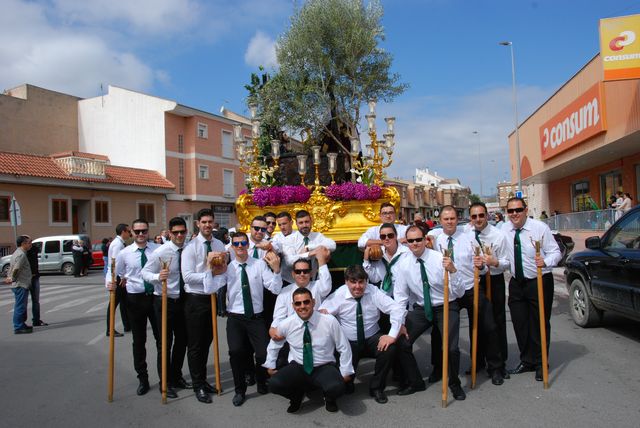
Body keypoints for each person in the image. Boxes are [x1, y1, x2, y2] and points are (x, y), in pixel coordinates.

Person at [205, 231, 283, 407]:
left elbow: (275, 288)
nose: (240, 247)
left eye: (243, 243)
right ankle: (240, 390)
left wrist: (277, 270)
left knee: (263, 354)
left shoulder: (259, 265)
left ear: (248, 245)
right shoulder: (227, 267)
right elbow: (209, 288)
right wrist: (209, 268)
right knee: (236, 353)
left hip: (256, 318)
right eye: (236, 244)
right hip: (236, 318)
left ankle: (262, 381)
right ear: (232, 247)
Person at [392, 225, 467, 400]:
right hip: (421, 308)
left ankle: (454, 383)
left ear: (426, 240)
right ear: (407, 242)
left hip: (446, 305)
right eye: (410, 241)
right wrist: (399, 323)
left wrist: (453, 271)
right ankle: (415, 382)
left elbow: (460, 292)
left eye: (418, 239)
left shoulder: (440, 259)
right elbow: (400, 297)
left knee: (451, 348)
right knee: (402, 342)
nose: (415, 243)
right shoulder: (403, 264)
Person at [433, 205, 505, 386]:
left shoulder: (470, 239)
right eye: (446, 219)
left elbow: (482, 268)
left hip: (469, 288)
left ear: (457, 219)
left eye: (452, 218)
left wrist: (481, 265)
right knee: (440, 330)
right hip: (448, 292)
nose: (449, 222)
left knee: (488, 325)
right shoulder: (434, 240)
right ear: (440, 221)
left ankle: (495, 367)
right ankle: (440, 368)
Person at [320, 265, 406, 404]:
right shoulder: (339, 294)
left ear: (367, 281)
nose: (358, 286)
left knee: (390, 348)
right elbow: (321, 313)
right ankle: (348, 380)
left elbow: (396, 308)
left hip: (372, 337)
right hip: (349, 342)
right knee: (344, 383)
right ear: (346, 281)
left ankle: (377, 387)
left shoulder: (373, 291)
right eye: (353, 282)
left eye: (361, 282)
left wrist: (391, 334)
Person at [264, 287, 354, 413]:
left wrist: (346, 371)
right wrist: (270, 363)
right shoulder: (287, 324)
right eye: (298, 303)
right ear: (293, 306)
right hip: (298, 366)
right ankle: (295, 397)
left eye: (306, 302)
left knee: (338, 387)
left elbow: (343, 347)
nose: (303, 306)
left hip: (323, 366)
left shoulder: (329, 321)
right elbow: (274, 343)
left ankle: (329, 398)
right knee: (274, 384)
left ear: (313, 302)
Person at [503, 197, 561, 382]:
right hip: (517, 282)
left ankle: (540, 362)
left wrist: (546, 261)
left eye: (518, 210)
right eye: (510, 211)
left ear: (525, 210)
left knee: (539, 323)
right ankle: (527, 360)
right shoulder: (504, 229)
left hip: (539, 280)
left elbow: (556, 252)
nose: (514, 214)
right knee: (520, 323)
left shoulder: (539, 228)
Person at [107, 218, 161, 396]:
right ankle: (142, 378)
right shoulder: (125, 252)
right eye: (137, 231)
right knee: (139, 341)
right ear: (131, 232)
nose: (140, 234)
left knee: (162, 340)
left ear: (148, 231)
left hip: (155, 297)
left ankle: (164, 379)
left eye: (143, 231)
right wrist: (111, 282)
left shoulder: (157, 249)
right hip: (135, 299)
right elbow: (113, 270)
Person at [141, 217, 191, 399]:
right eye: (176, 232)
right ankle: (165, 381)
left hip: (183, 301)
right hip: (164, 301)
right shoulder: (161, 252)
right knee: (165, 343)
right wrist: (157, 276)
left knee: (182, 341)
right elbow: (144, 273)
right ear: (170, 233)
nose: (179, 235)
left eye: (182, 232)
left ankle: (176, 376)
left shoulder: (189, 250)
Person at [181, 208, 226, 404]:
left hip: (212, 298)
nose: (208, 225)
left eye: (210, 222)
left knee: (208, 340)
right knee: (196, 345)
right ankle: (198, 384)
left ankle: (204, 380)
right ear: (198, 224)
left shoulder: (218, 244)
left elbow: (224, 268)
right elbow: (188, 276)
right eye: (204, 222)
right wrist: (209, 273)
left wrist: (218, 274)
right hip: (195, 299)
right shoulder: (191, 248)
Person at [469, 202, 510, 378]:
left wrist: (495, 262)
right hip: (475, 281)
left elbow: (507, 262)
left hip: (494, 280)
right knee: (476, 322)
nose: (478, 219)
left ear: (487, 215)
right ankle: (477, 361)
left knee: (496, 322)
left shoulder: (498, 235)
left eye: (481, 215)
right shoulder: (466, 234)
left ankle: (498, 364)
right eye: (474, 216)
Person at [269, 254, 332, 369]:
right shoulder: (284, 292)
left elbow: (327, 283)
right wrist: (273, 328)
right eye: (298, 272)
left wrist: (321, 260)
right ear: (293, 274)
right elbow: (279, 317)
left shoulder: (319, 287)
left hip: (316, 335)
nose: (302, 274)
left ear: (311, 273)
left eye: (305, 271)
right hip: (291, 336)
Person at [282, 210, 336, 278]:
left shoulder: (317, 236)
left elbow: (332, 245)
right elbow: (289, 261)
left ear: (311, 222)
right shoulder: (289, 239)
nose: (304, 225)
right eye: (301, 223)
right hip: (292, 281)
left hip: (312, 280)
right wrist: (309, 254)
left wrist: (309, 248)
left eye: (307, 222)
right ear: (296, 224)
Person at [362, 223, 410, 296]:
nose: (386, 239)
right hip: (385, 296)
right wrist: (366, 260)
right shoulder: (378, 254)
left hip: (405, 295)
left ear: (396, 236)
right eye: (383, 236)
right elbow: (374, 278)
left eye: (390, 235)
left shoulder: (407, 253)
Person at [105, 224, 132, 337]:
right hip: (116, 277)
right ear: (123, 232)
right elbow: (116, 263)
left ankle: (127, 324)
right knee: (114, 303)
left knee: (124, 302)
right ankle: (110, 329)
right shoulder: (117, 244)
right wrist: (122, 277)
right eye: (128, 231)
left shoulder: (119, 243)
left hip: (118, 276)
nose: (130, 233)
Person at [5, 235, 33, 334]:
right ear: (23, 244)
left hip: (21, 283)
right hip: (20, 284)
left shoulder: (18, 252)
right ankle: (18, 326)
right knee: (20, 306)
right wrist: (12, 278)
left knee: (22, 305)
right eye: (29, 243)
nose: (30, 245)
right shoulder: (21, 254)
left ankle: (21, 323)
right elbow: (16, 268)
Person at [26, 239, 47, 327]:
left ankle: (36, 320)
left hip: (35, 277)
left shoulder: (34, 249)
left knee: (36, 301)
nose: (30, 243)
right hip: (26, 279)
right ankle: (21, 323)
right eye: (28, 242)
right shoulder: (21, 252)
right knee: (23, 301)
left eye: (31, 241)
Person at [270, 211, 295, 284]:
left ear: (291, 222)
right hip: (284, 279)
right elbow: (275, 247)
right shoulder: (277, 237)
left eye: (284, 224)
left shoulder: (299, 236)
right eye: (280, 225)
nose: (282, 227)